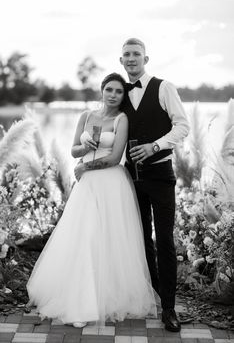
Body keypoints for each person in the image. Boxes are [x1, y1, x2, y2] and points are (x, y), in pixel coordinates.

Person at [26, 73, 157, 328]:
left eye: (119, 92)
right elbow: (73, 149)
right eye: (109, 89)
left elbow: (116, 156)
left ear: (123, 96)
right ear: (102, 90)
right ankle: (80, 297)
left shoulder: (122, 119)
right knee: (83, 236)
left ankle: (108, 296)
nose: (113, 95)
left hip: (110, 183)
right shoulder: (86, 116)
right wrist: (85, 147)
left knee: (108, 238)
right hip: (87, 187)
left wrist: (86, 167)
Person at [120, 38, 190, 332]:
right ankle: (154, 294)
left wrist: (155, 146)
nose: (132, 58)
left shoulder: (164, 87)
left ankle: (170, 309)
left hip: (161, 175)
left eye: (137, 54)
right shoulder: (118, 93)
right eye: (127, 55)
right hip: (130, 178)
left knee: (164, 240)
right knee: (140, 240)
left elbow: (183, 126)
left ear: (146, 59)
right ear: (120, 61)